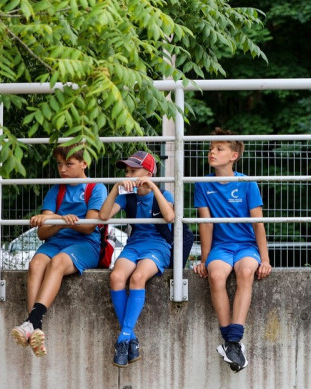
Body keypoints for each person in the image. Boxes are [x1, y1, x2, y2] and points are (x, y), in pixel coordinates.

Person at [11, 142, 108, 357]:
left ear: (84, 164)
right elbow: (42, 233)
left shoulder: (96, 188)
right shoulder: (56, 189)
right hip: (56, 241)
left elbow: (90, 226)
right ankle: (35, 327)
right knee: (36, 263)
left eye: (68, 164)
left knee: (58, 262)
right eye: (59, 164)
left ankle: (32, 322)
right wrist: (62, 222)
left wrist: (57, 220)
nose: (62, 169)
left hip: (86, 244)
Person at [193, 128, 272, 373]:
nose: (212, 153)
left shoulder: (247, 183)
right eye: (210, 148)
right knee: (215, 275)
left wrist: (265, 258)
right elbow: (205, 225)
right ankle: (232, 343)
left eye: (219, 148)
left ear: (234, 155)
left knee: (247, 271)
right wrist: (204, 259)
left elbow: (258, 223)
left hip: (246, 246)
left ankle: (233, 341)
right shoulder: (202, 185)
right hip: (221, 248)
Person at [98, 151, 175, 367]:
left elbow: (170, 217)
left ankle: (123, 338)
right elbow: (103, 216)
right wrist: (115, 188)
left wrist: (153, 187)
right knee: (116, 277)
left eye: (134, 170)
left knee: (138, 277)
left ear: (148, 173)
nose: (129, 174)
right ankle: (129, 337)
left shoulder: (163, 194)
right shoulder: (126, 197)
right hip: (134, 244)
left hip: (158, 246)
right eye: (127, 171)